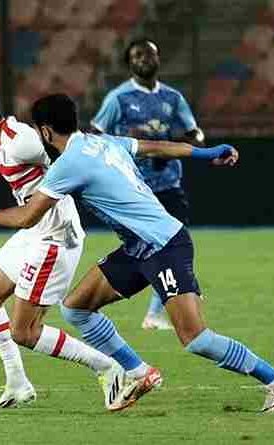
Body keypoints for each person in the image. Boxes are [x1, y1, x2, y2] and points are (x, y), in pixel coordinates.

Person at [0, 94, 274, 413]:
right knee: (76, 308)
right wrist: (205, 153)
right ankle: (138, 373)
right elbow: (157, 146)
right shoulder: (103, 142)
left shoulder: (68, 164)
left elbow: (28, 217)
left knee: (196, 338)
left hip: (164, 245)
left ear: (44, 131)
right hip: (138, 247)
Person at [0, 88, 151, 410]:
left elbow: (68, 155)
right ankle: (18, 383)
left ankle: (109, 368)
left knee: (25, 331)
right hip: (32, 231)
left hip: (54, 235)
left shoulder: (24, 141)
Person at [92, 38, 205, 330]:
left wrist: (169, 146)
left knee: (171, 242)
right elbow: (94, 134)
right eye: (138, 55)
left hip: (168, 184)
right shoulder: (118, 99)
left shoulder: (172, 98)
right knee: (146, 246)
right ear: (129, 63)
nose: (144, 59)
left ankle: (157, 310)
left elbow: (196, 134)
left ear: (158, 59)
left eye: (149, 54)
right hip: (135, 188)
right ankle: (164, 300)